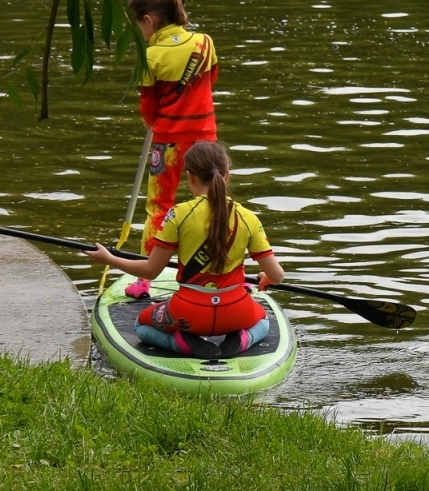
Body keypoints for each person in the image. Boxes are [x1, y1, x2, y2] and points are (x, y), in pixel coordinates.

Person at [86, 141, 283, 359]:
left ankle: (183, 343)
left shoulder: (178, 214)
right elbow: (277, 275)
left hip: (188, 314)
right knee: (263, 321)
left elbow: (150, 270)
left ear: (190, 177)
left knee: (142, 325)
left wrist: (109, 258)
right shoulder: (248, 218)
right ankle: (242, 340)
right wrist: (266, 277)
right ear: (227, 176)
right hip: (235, 311)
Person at [126, 0, 218, 299]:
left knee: (158, 207)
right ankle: (215, 271)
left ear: (149, 21)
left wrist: (154, 121)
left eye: (139, 24)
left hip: (166, 143)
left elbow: (148, 107)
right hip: (206, 139)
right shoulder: (204, 42)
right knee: (212, 203)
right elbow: (212, 78)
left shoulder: (149, 57)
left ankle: (144, 280)